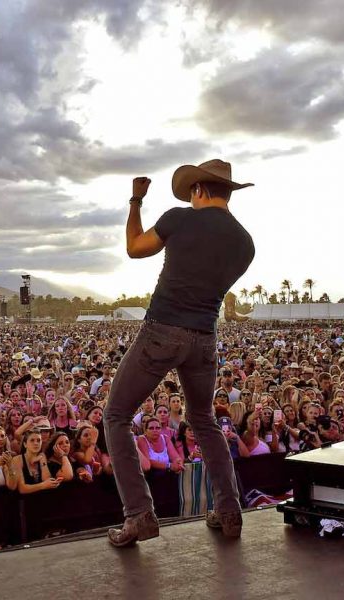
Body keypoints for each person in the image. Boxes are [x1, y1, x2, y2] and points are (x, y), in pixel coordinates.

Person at [104, 160, 254, 546]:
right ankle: (229, 510)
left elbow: (135, 248)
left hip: (162, 331)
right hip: (205, 338)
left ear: (199, 190)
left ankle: (139, 516)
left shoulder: (180, 219)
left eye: (191, 192)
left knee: (116, 416)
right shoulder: (245, 242)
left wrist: (136, 200)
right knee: (203, 420)